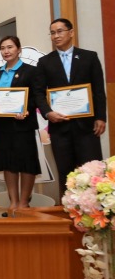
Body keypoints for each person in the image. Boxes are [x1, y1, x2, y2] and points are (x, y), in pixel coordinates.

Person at [33, 18, 107, 200]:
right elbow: (38, 93)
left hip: (87, 126)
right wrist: (48, 113)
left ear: (71, 32)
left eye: (60, 31)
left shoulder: (89, 57)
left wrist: (100, 117)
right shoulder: (45, 62)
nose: (56, 36)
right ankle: (69, 208)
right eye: (52, 33)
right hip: (60, 128)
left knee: (91, 170)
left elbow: (98, 89)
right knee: (66, 171)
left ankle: (93, 210)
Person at [0, 36, 39, 217]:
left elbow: (36, 96)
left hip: (23, 123)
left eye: (10, 47)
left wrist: (26, 109)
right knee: (8, 162)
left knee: (26, 162)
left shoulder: (31, 71)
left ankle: (24, 202)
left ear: (19, 50)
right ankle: (13, 202)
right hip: (1, 124)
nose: (6, 51)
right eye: (2, 48)